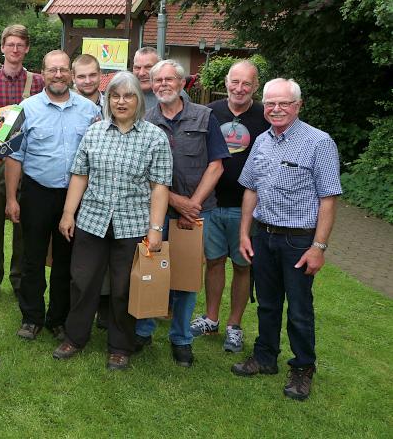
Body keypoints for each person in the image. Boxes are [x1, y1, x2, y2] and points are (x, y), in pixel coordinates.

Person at [52, 71, 172, 369]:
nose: (121, 102)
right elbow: (80, 174)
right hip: (92, 220)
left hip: (132, 225)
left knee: (124, 288)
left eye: (128, 96)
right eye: (116, 96)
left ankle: (120, 346)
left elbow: (160, 187)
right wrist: (69, 213)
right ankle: (75, 337)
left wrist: (155, 229)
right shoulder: (94, 132)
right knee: (82, 281)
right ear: (109, 100)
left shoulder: (154, 137)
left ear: (139, 101)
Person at [232, 78, 341, 401]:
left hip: (299, 241)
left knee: (299, 309)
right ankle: (265, 357)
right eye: (270, 103)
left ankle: (303, 366)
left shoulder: (319, 143)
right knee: (266, 303)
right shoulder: (262, 141)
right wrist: (244, 234)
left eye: (284, 103)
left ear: (298, 105)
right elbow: (251, 188)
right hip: (264, 235)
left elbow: (329, 199)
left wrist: (318, 248)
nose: (276, 109)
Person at [135, 59, 230, 367]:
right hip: (158, 212)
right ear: (151, 84)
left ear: (181, 83)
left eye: (169, 79)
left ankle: (181, 339)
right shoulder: (145, 120)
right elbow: (143, 171)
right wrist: (177, 202)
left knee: (186, 278)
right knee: (151, 272)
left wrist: (193, 205)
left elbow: (216, 164)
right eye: (157, 80)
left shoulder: (205, 117)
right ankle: (144, 331)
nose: (163, 84)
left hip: (197, 213)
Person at [5, 50, 100, 342]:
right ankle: (31, 317)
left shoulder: (89, 111)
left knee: (66, 260)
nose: (57, 75)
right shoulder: (27, 108)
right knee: (31, 258)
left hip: (75, 196)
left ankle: (58, 318)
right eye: (51, 70)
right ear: (42, 74)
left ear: (70, 74)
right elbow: (14, 156)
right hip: (36, 192)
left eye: (62, 70)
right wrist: (11, 198)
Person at [189, 61, 269, 352]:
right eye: (235, 82)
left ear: (256, 85)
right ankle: (211, 318)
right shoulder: (211, 113)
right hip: (212, 203)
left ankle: (234, 325)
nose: (240, 88)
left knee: (242, 265)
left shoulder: (265, 115)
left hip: (247, 206)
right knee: (213, 261)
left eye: (246, 83)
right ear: (226, 82)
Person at [0, 24, 45, 296]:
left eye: (21, 44)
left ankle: (19, 279)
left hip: (28, 161)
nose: (16, 49)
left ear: (27, 48)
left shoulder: (39, 82)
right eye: (11, 44)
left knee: (24, 224)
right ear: (3, 48)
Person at [72, 53, 109, 326]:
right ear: (74, 78)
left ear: (100, 76)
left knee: (105, 256)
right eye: (81, 76)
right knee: (76, 257)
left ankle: (104, 310)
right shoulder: (65, 103)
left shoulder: (114, 103)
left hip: (105, 190)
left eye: (92, 75)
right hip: (72, 187)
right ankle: (75, 308)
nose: (87, 81)